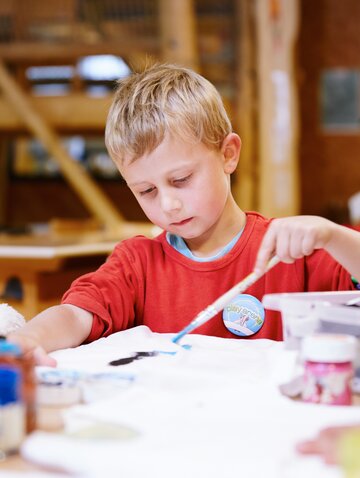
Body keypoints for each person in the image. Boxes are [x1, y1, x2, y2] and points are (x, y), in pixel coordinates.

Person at [7, 63, 360, 366]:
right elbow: (75, 315)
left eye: (181, 179)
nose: (168, 205)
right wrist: (28, 340)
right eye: (147, 191)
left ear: (228, 154)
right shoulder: (137, 264)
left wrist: (333, 235)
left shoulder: (290, 254)